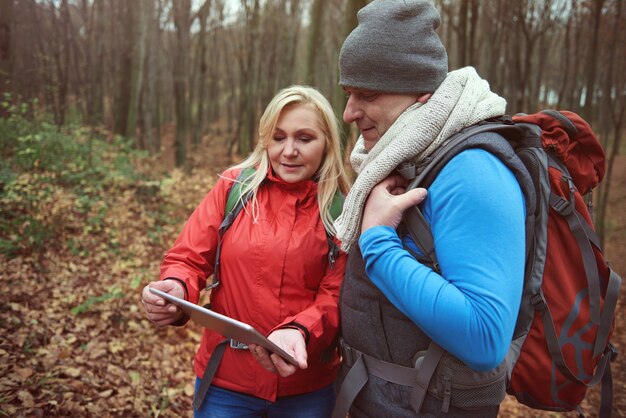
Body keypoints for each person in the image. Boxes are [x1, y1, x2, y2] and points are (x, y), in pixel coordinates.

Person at [331, 1, 527, 417]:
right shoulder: (409, 157)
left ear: (422, 93)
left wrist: (377, 242)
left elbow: (484, 338)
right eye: (349, 95)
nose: (349, 113)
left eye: (367, 95)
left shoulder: (474, 170)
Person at [142, 85, 351, 418]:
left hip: (307, 390)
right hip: (226, 385)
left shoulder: (342, 210)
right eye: (278, 137)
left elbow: (336, 296)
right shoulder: (234, 188)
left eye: (304, 138)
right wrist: (177, 287)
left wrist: (299, 330)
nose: (289, 151)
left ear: (327, 143)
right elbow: (188, 257)